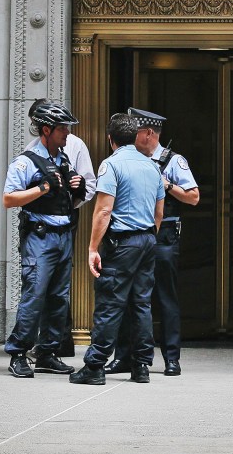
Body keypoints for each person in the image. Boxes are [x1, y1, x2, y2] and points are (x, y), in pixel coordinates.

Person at [70, 113, 165, 385]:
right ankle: (141, 366)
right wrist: (147, 237)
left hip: (122, 243)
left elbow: (103, 210)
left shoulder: (111, 165)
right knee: (141, 304)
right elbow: (159, 212)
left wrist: (92, 248)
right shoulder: (152, 166)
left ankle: (95, 366)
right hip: (147, 239)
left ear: (110, 139)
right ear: (135, 138)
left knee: (110, 304)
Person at [104, 108, 199, 377]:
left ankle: (171, 358)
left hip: (164, 235)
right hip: (132, 234)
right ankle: (123, 356)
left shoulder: (172, 160)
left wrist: (167, 185)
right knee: (126, 296)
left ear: (148, 133)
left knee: (165, 296)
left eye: (136, 132)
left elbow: (193, 197)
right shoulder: (128, 159)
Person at [2, 101, 88, 378]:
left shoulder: (63, 159)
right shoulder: (26, 160)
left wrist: (79, 189)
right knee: (34, 296)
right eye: (62, 128)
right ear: (47, 130)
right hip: (39, 237)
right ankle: (18, 353)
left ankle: (47, 353)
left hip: (63, 236)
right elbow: (9, 198)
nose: (67, 133)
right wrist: (43, 187)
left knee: (58, 298)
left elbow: (69, 200)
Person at [25, 99, 97, 357]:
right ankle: (44, 343)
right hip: (38, 222)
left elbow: (89, 185)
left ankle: (58, 342)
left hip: (66, 217)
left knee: (58, 282)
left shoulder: (74, 144)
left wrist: (71, 193)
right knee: (39, 281)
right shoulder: (30, 151)